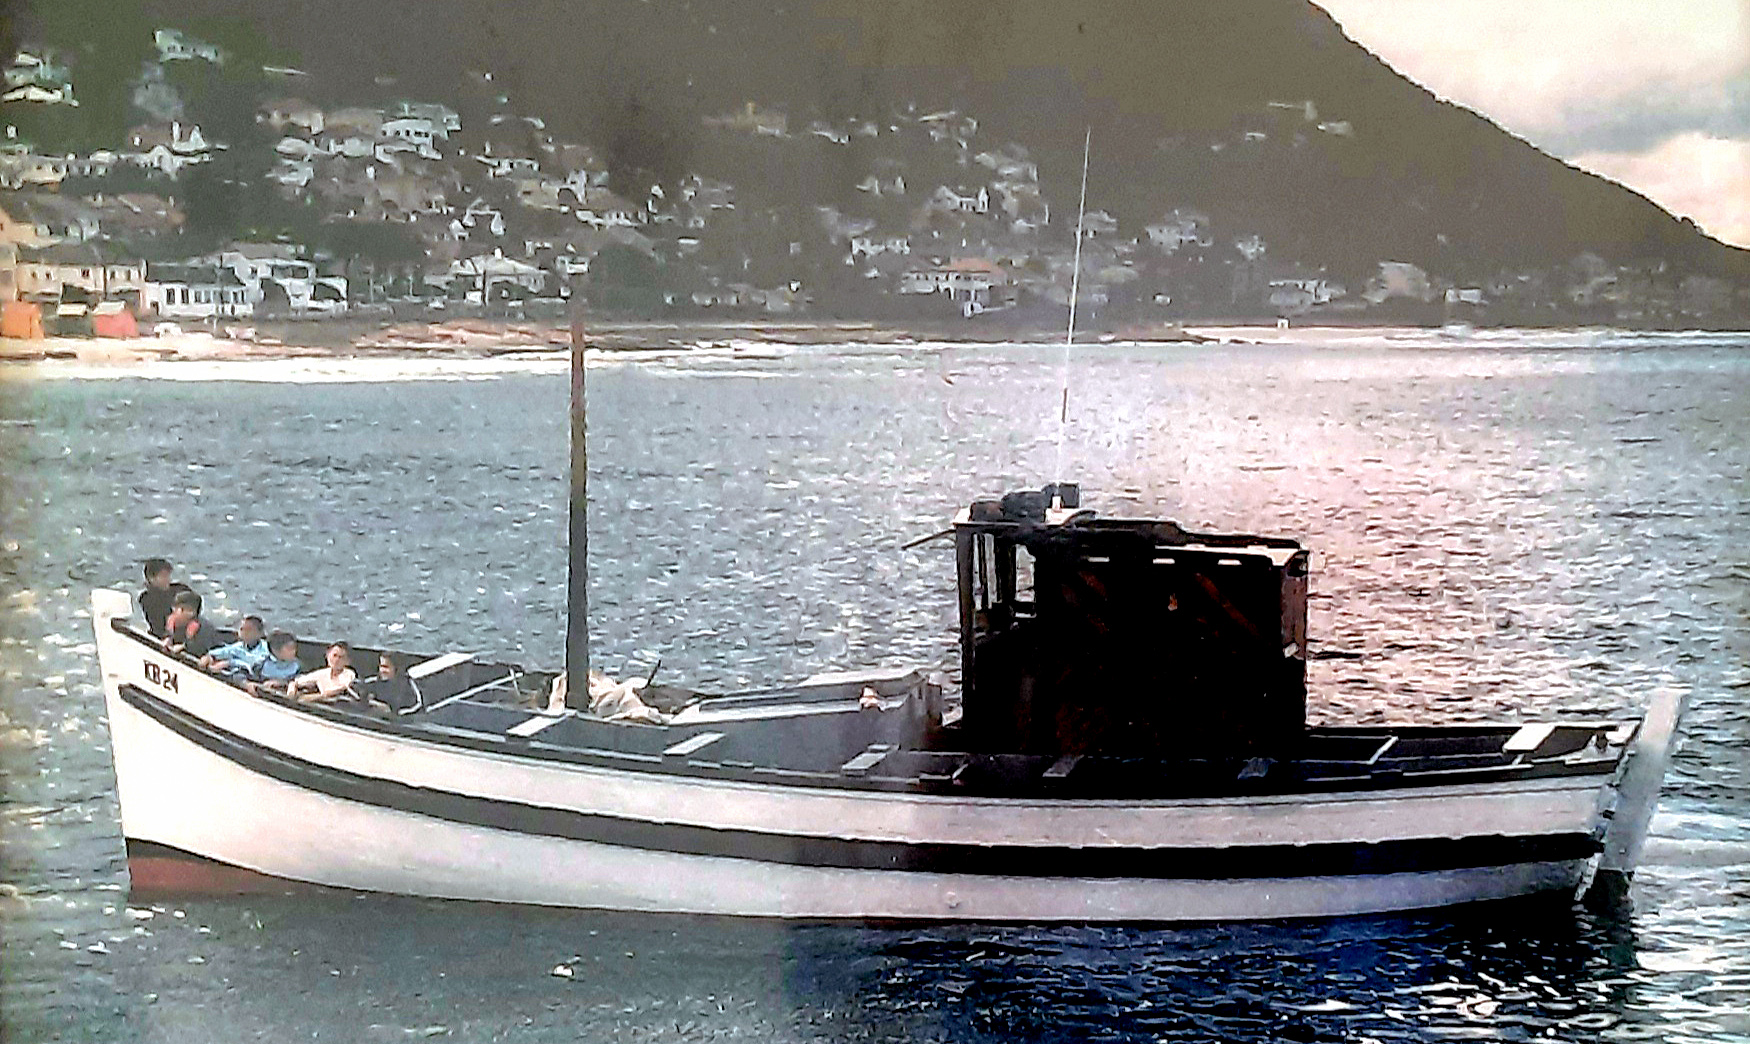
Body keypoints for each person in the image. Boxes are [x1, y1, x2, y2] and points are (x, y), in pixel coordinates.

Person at [198, 615, 269, 680]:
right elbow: (225, 651)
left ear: (260, 633)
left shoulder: (266, 649)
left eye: (249, 630)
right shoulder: (239, 646)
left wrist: (228, 663)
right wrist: (209, 657)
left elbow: (253, 664)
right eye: (242, 629)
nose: (244, 632)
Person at [137, 559, 192, 639]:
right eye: (164, 576)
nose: (168, 579)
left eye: (168, 575)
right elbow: (158, 627)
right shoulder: (147, 599)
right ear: (151, 578)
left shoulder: (181, 589)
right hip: (163, 638)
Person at [286, 642, 357, 704]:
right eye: (334, 655)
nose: (336, 660)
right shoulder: (322, 673)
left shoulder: (349, 674)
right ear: (327, 655)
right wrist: (292, 690)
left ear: (348, 661)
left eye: (341, 657)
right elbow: (298, 681)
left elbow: (340, 689)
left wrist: (312, 697)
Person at [248, 631, 302, 697]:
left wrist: (282, 683)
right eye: (290, 649)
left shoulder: (297, 666)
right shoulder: (260, 665)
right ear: (275, 650)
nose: (294, 651)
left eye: (295, 648)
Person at [162, 591, 216, 657]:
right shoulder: (172, 621)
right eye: (173, 608)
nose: (174, 612)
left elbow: (201, 648)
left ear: (191, 612)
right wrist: (168, 638)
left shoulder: (203, 628)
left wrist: (184, 647)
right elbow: (168, 633)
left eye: (181, 609)